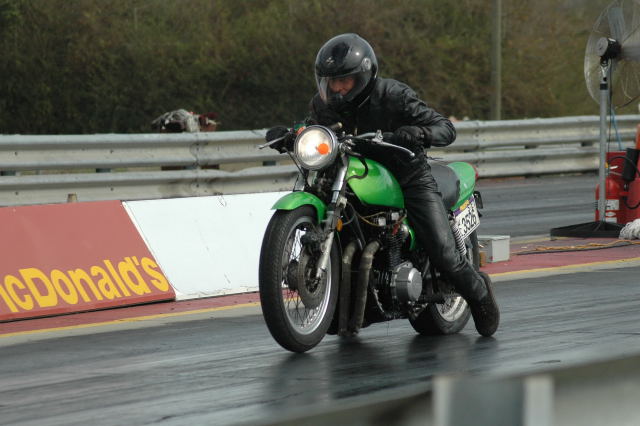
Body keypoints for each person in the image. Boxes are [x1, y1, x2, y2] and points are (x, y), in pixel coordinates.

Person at [265, 33, 499, 337]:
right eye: (331, 81)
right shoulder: (324, 104)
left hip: (406, 174)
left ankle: (480, 295)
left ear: (363, 76)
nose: (337, 88)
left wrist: (419, 133)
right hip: (353, 172)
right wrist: (291, 134)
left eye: (344, 81)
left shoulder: (394, 95)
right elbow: (315, 127)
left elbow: (445, 128)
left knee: (443, 253)